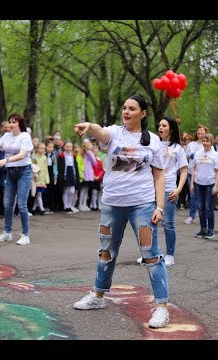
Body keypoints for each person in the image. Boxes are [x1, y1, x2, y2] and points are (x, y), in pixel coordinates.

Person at [72, 94, 170, 329]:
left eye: (132, 108)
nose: (126, 112)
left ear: (143, 113)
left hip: (143, 205)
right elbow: (100, 132)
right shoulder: (115, 133)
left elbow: (159, 176)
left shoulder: (153, 141)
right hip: (112, 204)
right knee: (107, 250)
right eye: (124, 108)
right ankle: (97, 296)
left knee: (150, 253)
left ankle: (162, 308)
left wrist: (159, 207)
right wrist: (89, 126)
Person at [137, 116, 187, 266]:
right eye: (159, 125)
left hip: (169, 188)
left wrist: (178, 189)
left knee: (168, 224)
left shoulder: (177, 148)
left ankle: (170, 254)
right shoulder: (154, 143)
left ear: (171, 129)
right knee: (148, 222)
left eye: (164, 125)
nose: (160, 128)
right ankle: (149, 254)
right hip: (150, 188)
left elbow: (184, 171)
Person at [0, 113, 34, 246]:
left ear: (19, 124)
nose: (10, 124)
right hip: (10, 173)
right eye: (10, 121)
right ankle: (7, 233)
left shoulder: (25, 136)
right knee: (7, 203)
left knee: (21, 204)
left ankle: (25, 235)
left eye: (13, 122)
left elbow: (22, 155)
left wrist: (6, 160)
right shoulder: (6, 136)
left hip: (24, 172)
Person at [190, 133, 218, 239]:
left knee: (208, 208)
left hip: (210, 184)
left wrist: (215, 185)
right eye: (203, 141)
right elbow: (194, 168)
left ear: (211, 142)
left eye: (207, 141)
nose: (205, 143)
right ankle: (203, 229)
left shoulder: (215, 155)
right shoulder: (198, 153)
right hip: (199, 184)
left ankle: (210, 230)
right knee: (201, 207)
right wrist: (192, 183)